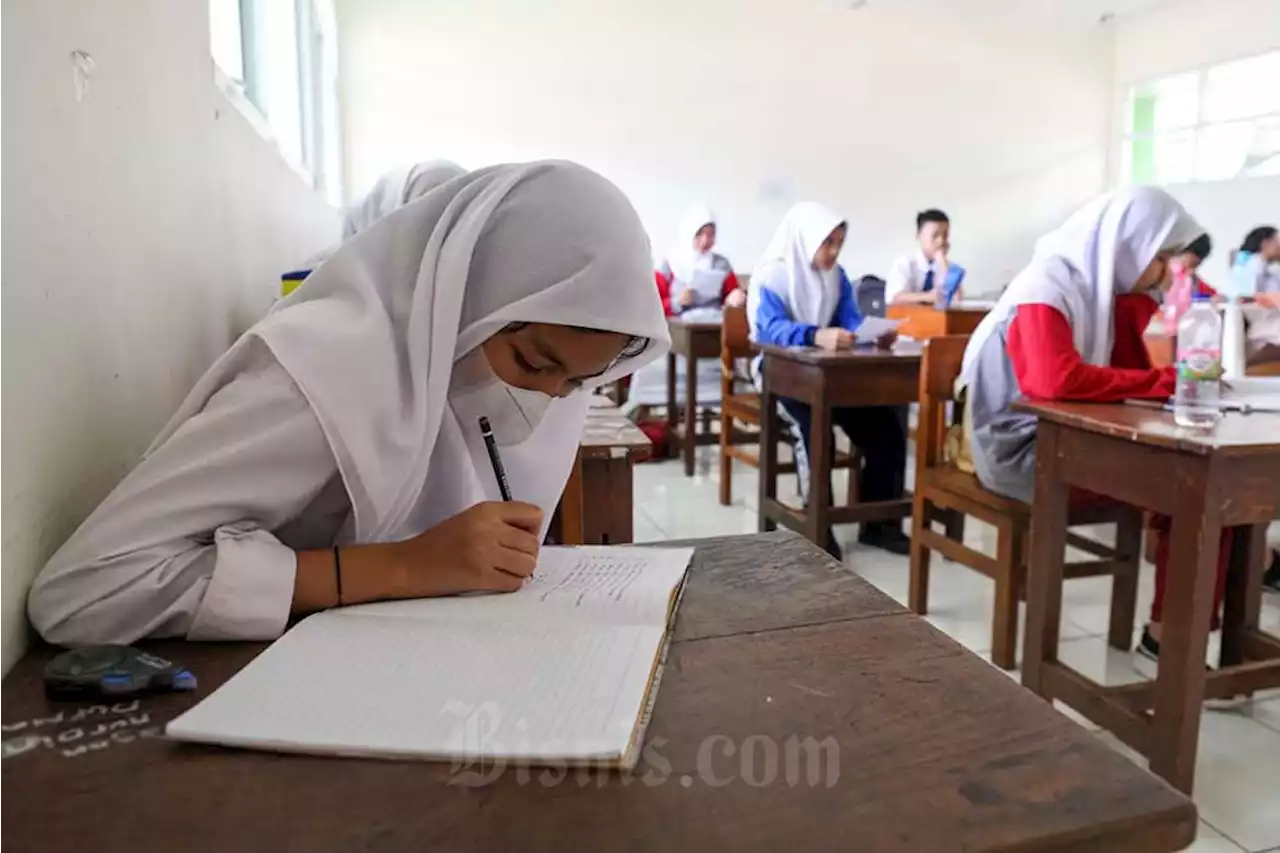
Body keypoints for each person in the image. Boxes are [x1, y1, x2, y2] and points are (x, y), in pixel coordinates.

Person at [27, 161, 670, 646]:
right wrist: (399, 567)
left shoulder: (500, 370)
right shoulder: (322, 375)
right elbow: (86, 592)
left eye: (577, 384)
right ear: (465, 298)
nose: (548, 400)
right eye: (535, 363)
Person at [957, 186, 1228, 665]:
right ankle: (1170, 638)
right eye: (1162, 259)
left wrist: (1174, 379)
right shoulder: (1047, 285)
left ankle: (1194, 621)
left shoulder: (1111, 292)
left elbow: (1131, 378)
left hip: (1069, 440)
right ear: (1132, 242)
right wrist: (1168, 381)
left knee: (1215, 488)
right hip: (1021, 453)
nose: (1166, 274)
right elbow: (1053, 379)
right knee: (1198, 493)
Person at [748, 202, 909, 558]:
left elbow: (850, 320)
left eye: (839, 242)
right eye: (827, 242)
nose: (834, 251)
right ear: (806, 240)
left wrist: (870, 335)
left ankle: (879, 523)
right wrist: (814, 334)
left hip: (827, 378)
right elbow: (768, 330)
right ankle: (817, 526)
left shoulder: (836, 277)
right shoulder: (772, 276)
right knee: (813, 432)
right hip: (781, 378)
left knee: (886, 428)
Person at [654, 206, 745, 316]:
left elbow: (732, 296)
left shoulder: (721, 264)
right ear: (689, 233)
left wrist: (735, 298)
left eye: (711, 235)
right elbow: (652, 306)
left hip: (715, 324)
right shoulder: (668, 262)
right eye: (699, 234)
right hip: (680, 327)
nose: (705, 241)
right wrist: (677, 302)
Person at [886, 209, 966, 306]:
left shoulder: (946, 267)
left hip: (937, 320)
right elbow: (895, 298)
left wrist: (945, 268)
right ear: (919, 235)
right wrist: (929, 297)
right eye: (935, 235)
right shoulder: (905, 263)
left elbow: (959, 301)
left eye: (945, 236)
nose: (941, 241)